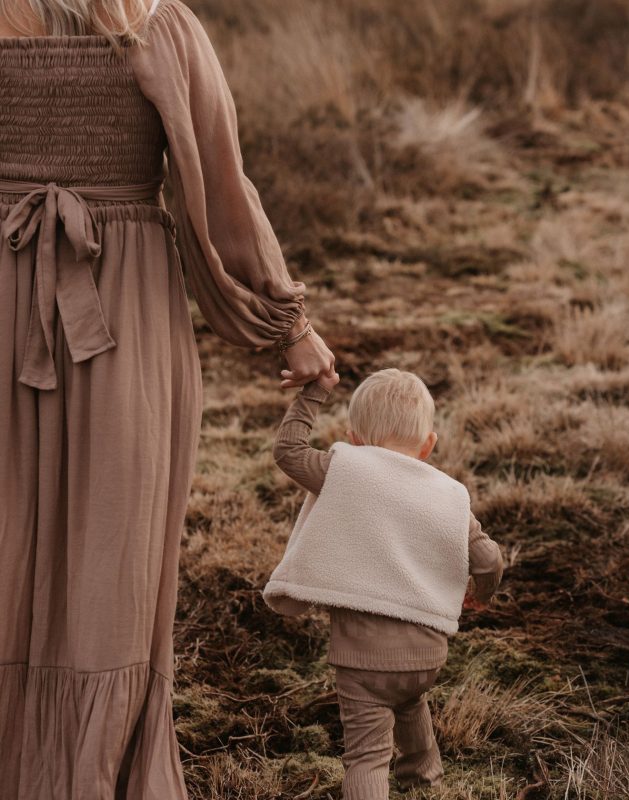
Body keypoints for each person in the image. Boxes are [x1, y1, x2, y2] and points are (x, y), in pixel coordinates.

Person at [0, 0, 336, 797]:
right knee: (111, 552)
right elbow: (221, 190)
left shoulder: (159, 25)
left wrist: (286, 321)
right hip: (122, 311)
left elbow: (217, 188)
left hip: (74, 307)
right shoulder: (161, 25)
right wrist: (290, 326)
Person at [263, 368, 503, 799]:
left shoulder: (344, 470)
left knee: (367, 757)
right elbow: (489, 559)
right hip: (426, 656)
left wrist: (313, 393)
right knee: (411, 703)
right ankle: (426, 784)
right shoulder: (449, 494)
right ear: (428, 446)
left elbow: (288, 451)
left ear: (354, 439)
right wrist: (480, 594)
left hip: (362, 660)